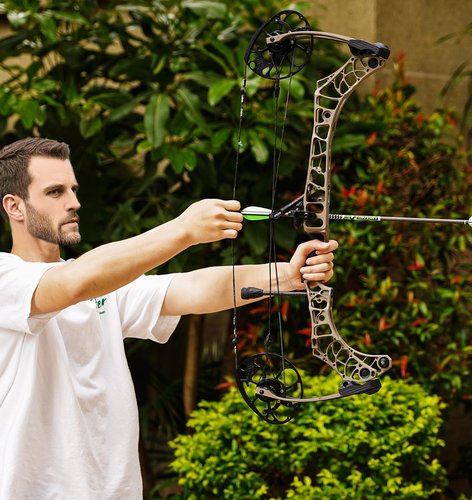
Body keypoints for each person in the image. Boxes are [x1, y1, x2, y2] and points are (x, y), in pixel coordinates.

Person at [0, 137, 337, 499]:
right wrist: (183, 230)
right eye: (55, 192)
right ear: (15, 206)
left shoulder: (103, 282)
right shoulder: (7, 277)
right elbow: (73, 284)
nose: (74, 202)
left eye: (73, 189)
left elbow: (191, 289)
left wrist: (286, 276)